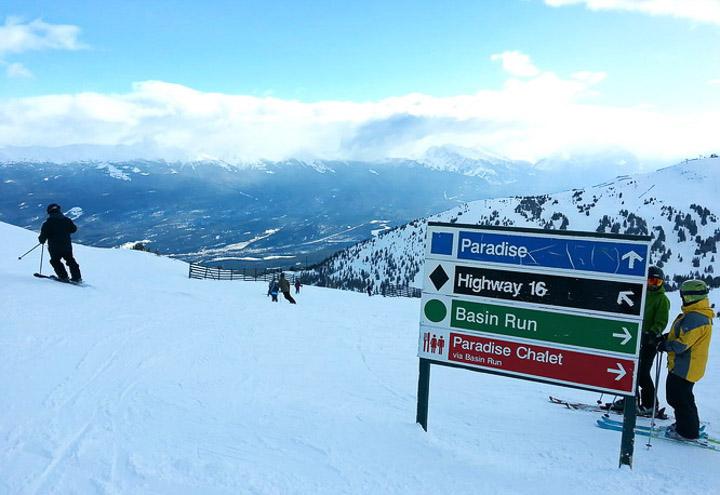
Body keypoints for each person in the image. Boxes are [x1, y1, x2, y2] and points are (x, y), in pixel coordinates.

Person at [658, 279, 713, 441]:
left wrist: (665, 345)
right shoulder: (695, 314)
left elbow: (682, 345)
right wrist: (666, 337)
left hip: (686, 366)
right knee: (681, 397)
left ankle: (687, 432)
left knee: (678, 397)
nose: (682, 299)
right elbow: (682, 335)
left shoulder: (696, 318)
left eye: (684, 296)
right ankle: (685, 425)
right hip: (686, 365)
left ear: (690, 297)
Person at [38, 203, 82, 282]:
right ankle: (77, 277)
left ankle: (63, 277)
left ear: (49, 212)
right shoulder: (67, 220)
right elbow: (73, 229)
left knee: (55, 261)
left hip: (54, 247)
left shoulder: (47, 223)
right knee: (70, 260)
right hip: (67, 246)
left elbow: (42, 238)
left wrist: (42, 240)